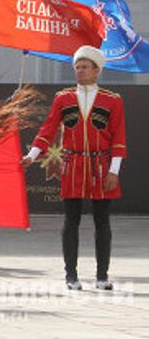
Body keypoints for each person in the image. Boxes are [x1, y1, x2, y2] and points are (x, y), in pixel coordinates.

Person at [22, 45, 125, 291]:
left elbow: (119, 137)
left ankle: (102, 276)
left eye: (84, 67)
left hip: (101, 165)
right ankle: (71, 275)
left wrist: (114, 171)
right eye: (77, 67)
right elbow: (48, 129)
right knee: (71, 221)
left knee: (102, 221)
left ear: (97, 70)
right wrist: (32, 154)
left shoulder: (113, 100)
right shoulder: (63, 97)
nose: (79, 71)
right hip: (74, 164)